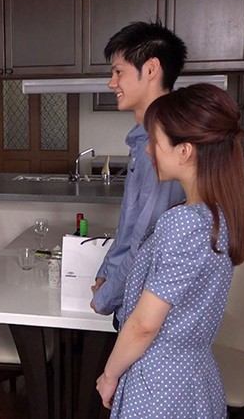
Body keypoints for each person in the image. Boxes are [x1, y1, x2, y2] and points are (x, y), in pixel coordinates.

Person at [96, 83, 244, 417]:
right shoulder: (216, 216)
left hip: (159, 384)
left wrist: (109, 375)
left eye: (155, 140)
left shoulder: (184, 223)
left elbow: (144, 324)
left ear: (184, 151)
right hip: (195, 378)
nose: (148, 150)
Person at [91, 20, 188, 326]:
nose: (111, 83)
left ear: (150, 69)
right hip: (132, 302)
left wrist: (106, 297)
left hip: (144, 312)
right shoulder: (142, 138)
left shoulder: (162, 147)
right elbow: (129, 228)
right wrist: (106, 273)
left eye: (118, 72)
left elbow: (145, 242)